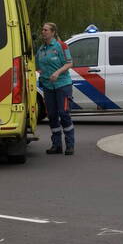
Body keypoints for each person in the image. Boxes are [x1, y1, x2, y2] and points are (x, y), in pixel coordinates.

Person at [36, 22, 75, 155]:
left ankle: (70, 145)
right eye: (42, 30)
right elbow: (38, 66)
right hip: (48, 87)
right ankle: (56, 145)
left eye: (46, 30)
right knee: (52, 115)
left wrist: (57, 72)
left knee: (63, 114)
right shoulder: (41, 50)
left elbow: (69, 63)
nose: (43, 32)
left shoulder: (61, 46)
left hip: (62, 85)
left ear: (53, 32)